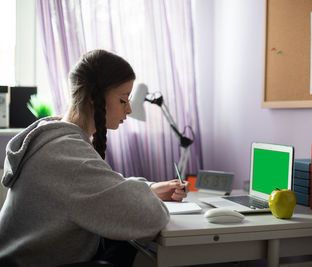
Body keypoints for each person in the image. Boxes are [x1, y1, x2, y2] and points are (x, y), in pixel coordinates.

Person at [0, 49, 189, 267]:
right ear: (93, 98)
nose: (128, 109)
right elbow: (152, 218)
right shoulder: (68, 155)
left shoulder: (55, 140)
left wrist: (149, 189)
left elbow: (101, 185)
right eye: (123, 99)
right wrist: (146, 196)